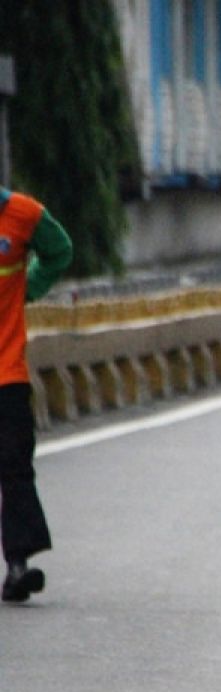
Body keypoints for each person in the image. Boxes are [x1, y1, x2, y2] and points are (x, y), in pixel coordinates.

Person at [1, 186, 73, 603]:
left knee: (14, 467)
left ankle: (17, 566)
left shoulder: (23, 214)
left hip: (6, 371)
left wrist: (29, 289)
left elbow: (59, 250)